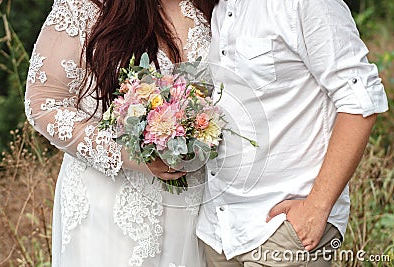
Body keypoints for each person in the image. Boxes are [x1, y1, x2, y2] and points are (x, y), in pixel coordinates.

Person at [24, 0, 218, 266]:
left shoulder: (213, 6)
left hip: (194, 207)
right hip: (110, 207)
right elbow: (44, 103)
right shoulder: (85, 6)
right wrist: (129, 153)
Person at [197, 0, 389, 266]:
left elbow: (361, 102)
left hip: (284, 229)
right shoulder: (218, 7)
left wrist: (316, 208)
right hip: (219, 231)